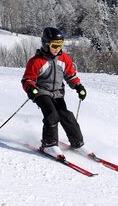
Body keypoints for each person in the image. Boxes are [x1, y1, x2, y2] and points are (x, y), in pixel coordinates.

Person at [21, 27, 89, 158]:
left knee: (67, 115)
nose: (57, 48)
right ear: (46, 44)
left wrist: (78, 86)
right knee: (52, 114)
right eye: (54, 45)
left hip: (57, 93)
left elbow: (71, 75)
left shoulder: (64, 58)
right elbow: (27, 79)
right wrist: (30, 88)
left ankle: (77, 142)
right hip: (41, 92)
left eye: (60, 45)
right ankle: (49, 144)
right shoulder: (36, 61)